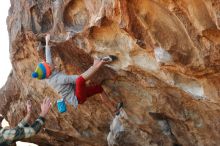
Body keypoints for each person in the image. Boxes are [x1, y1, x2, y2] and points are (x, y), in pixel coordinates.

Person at [32, 34, 122, 113]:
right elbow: (77, 79)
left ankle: (114, 109)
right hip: (78, 97)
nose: (49, 63)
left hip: (79, 93)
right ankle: (100, 63)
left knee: (99, 89)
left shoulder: (48, 74)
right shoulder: (57, 79)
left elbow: (48, 58)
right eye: (48, 65)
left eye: (47, 64)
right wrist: (92, 69)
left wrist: (47, 42)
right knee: (79, 80)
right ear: (48, 72)